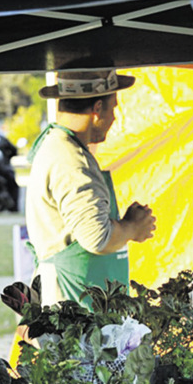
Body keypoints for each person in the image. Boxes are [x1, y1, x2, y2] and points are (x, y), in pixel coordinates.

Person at [26, 64, 156, 307]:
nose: (114, 118)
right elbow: (96, 237)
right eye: (113, 108)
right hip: (73, 308)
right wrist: (132, 228)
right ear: (98, 109)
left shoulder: (57, 147)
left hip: (73, 302)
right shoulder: (71, 160)